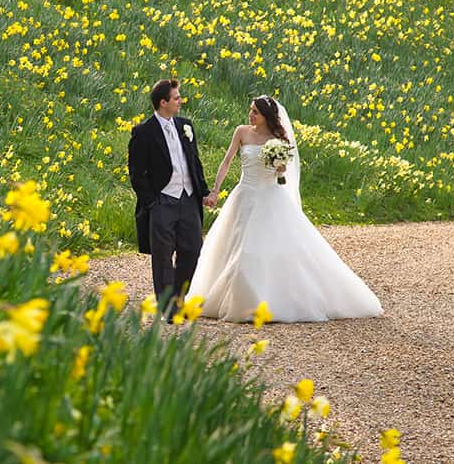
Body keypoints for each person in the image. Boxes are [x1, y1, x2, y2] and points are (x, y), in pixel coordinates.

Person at [186, 95, 383, 322]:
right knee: (232, 243)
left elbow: (282, 174)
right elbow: (227, 161)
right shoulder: (242, 132)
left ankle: (259, 300)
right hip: (244, 194)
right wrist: (215, 190)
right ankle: (230, 298)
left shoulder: (279, 139)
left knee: (255, 248)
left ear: (266, 116)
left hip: (269, 196)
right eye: (250, 110)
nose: (251, 115)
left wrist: (279, 167)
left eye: (255, 112)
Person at [128, 79, 214, 317]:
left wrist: (203, 191)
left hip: (188, 198)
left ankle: (177, 296)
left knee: (193, 249)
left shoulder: (186, 126)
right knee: (163, 257)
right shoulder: (144, 132)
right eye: (176, 97)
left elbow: (194, 162)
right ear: (163, 102)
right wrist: (152, 202)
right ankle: (168, 307)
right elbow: (136, 172)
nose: (180, 101)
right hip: (162, 201)